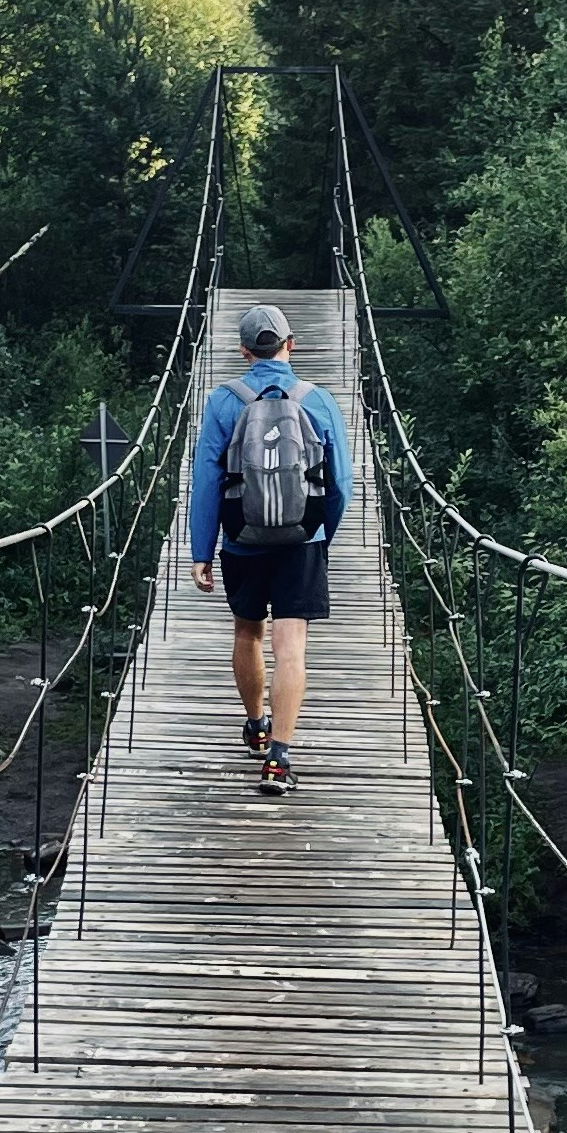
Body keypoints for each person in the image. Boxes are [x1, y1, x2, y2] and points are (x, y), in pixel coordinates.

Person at [188, 302, 354, 798]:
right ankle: (279, 760)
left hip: (243, 536)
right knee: (292, 647)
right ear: (291, 344)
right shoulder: (318, 400)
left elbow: (207, 480)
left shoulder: (222, 401)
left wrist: (202, 548)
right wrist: (322, 533)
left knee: (247, 631)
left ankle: (256, 725)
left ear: (243, 350)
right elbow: (341, 482)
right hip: (302, 537)